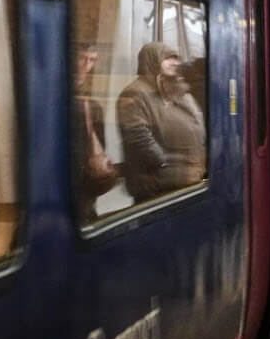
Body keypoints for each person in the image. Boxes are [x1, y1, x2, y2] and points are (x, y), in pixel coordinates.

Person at [118, 42, 206, 203]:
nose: (174, 63)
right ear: (150, 60)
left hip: (185, 183)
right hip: (157, 187)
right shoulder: (136, 93)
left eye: (176, 58)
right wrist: (163, 164)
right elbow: (138, 136)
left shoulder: (177, 90)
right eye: (167, 58)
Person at [72, 43, 117, 223]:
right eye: (82, 58)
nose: (86, 66)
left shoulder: (92, 104)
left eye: (92, 60)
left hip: (86, 188)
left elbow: (99, 145)